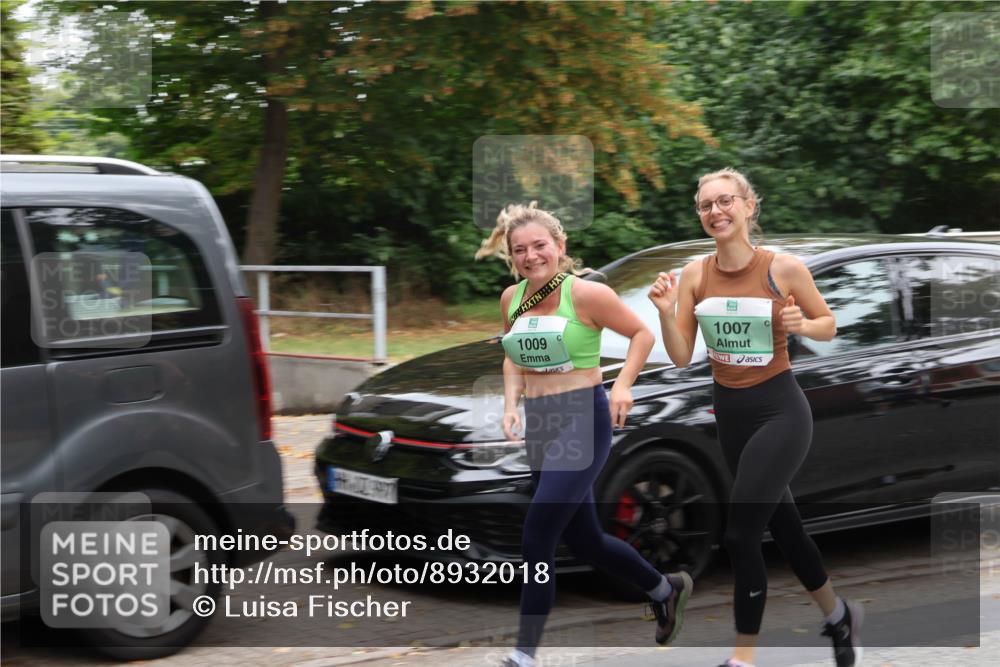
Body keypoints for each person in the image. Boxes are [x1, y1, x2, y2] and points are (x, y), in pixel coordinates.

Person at [647, 168, 863, 667]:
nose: (716, 211)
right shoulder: (695, 275)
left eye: (725, 201)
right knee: (786, 530)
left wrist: (802, 324)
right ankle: (838, 616)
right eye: (706, 205)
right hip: (731, 416)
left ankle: (742, 657)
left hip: (780, 413)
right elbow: (680, 356)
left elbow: (828, 325)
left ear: (748, 206)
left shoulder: (782, 269)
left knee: (741, 535)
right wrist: (664, 311)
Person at [476, 202, 692, 667]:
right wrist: (511, 405)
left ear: (560, 246)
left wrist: (623, 386)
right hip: (541, 423)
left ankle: (523, 655)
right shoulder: (511, 299)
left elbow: (641, 335)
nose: (531, 256)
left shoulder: (588, 294)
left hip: (582, 418)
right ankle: (664, 588)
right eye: (520, 250)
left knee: (537, 534)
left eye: (539, 245)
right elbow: (512, 356)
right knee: (586, 540)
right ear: (512, 257)